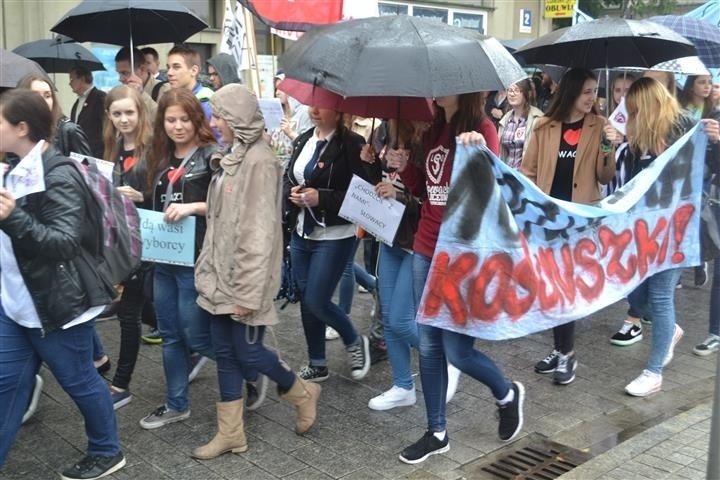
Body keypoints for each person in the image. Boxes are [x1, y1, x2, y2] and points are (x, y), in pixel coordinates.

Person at [0, 88, 125, 479]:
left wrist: (11, 217)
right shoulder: (12, 167)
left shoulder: (58, 172)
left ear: (21, 128)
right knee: (7, 387)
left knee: (80, 381)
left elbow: (65, 243)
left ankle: (107, 451)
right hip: (16, 304)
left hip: (58, 303)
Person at [191, 84, 321, 459]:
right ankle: (230, 434)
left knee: (248, 354)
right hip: (220, 275)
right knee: (225, 352)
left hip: (246, 279)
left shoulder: (260, 161)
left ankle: (302, 392)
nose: (215, 123)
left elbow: (259, 232)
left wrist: (247, 294)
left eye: (220, 116)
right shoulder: (234, 155)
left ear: (236, 119)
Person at [395, 93, 523, 464]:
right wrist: (404, 166)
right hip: (426, 248)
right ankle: (437, 431)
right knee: (430, 347)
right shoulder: (433, 130)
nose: (436, 89)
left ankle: (506, 393)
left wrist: (482, 151)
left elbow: (492, 190)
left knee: (458, 351)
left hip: (462, 254)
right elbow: (425, 189)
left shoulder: (482, 129)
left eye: (444, 83)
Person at [621, 77, 719, 395]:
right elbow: (634, 186)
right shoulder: (640, 139)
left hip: (679, 229)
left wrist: (718, 142)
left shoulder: (687, 129)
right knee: (634, 292)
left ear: (649, 106)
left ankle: (653, 372)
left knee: (662, 296)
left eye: (635, 109)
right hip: (646, 229)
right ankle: (670, 329)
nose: (630, 115)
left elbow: (711, 169)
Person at [520, 68, 616, 385]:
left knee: (565, 288)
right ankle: (560, 349)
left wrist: (608, 147)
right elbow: (529, 172)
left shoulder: (601, 126)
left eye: (595, 91)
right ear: (572, 91)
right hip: (548, 219)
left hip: (580, 219)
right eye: (587, 91)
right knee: (551, 288)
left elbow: (605, 177)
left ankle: (568, 354)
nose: (593, 97)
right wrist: (532, 211)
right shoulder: (544, 127)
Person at [138, 89, 219, 429]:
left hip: (194, 257)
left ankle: (251, 366)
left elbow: (226, 204)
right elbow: (153, 199)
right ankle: (176, 404)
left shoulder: (211, 156)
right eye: (170, 120)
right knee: (170, 334)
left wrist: (192, 207)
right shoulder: (159, 155)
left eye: (184, 119)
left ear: (196, 119)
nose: (177, 126)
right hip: (162, 257)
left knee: (196, 335)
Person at [284, 105, 372, 383]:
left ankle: (355, 340)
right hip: (301, 231)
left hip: (335, 234)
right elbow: (290, 177)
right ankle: (317, 362)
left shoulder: (353, 144)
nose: (315, 110)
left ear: (340, 110)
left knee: (317, 299)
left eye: (323, 105)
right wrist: (293, 193)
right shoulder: (304, 138)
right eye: (313, 103)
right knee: (307, 300)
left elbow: (363, 195)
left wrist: (320, 198)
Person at [362, 119, 425, 411]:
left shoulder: (425, 142)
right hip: (388, 236)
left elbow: (430, 199)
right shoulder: (384, 135)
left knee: (401, 318)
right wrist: (367, 162)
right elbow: (376, 186)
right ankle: (402, 385)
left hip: (415, 240)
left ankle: (447, 357)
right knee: (389, 315)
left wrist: (399, 193)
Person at [99, 85, 154, 409]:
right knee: (148, 308)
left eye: (129, 112)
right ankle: (195, 345)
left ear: (140, 112)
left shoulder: (153, 147)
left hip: (151, 239)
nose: (123, 119)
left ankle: (121, 384)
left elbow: (163, 193)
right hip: (125, 240)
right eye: (117, 113)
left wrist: (141, 196)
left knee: (130, 311)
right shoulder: (112, 147)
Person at [17, 74, 91, 158]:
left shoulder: (69, 130)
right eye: (35, 96)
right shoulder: (16, 131)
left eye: (47, 96)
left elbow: (86, 168)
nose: (43, 101)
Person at [498, 78, 544, 169]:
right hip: (507, 175)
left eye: (516, 90)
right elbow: (501, 152)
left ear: (526, 93)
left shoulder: (538, 118)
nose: (512, 93)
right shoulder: (505, 120)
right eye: (509, 90)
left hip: (527, 176)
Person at [115, 47, 170, 118]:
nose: (120, 79)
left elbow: (163, 120)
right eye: (119, 73)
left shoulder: (164, 89)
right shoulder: (124, 92)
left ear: (142, 69)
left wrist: (142, 94)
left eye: (125, 73)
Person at [165, 45, 214, 122]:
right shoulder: (170, 98)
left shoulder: (207, 103)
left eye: (176, 67)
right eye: (168, 67)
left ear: (194, 70)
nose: (169, 73)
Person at [69, 65, 107, 158]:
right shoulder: (77, 102)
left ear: (82, 79)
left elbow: (107, 127)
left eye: (72, 80)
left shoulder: (100, 98)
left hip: (97, 154)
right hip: (80, 153)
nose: (69, 84)